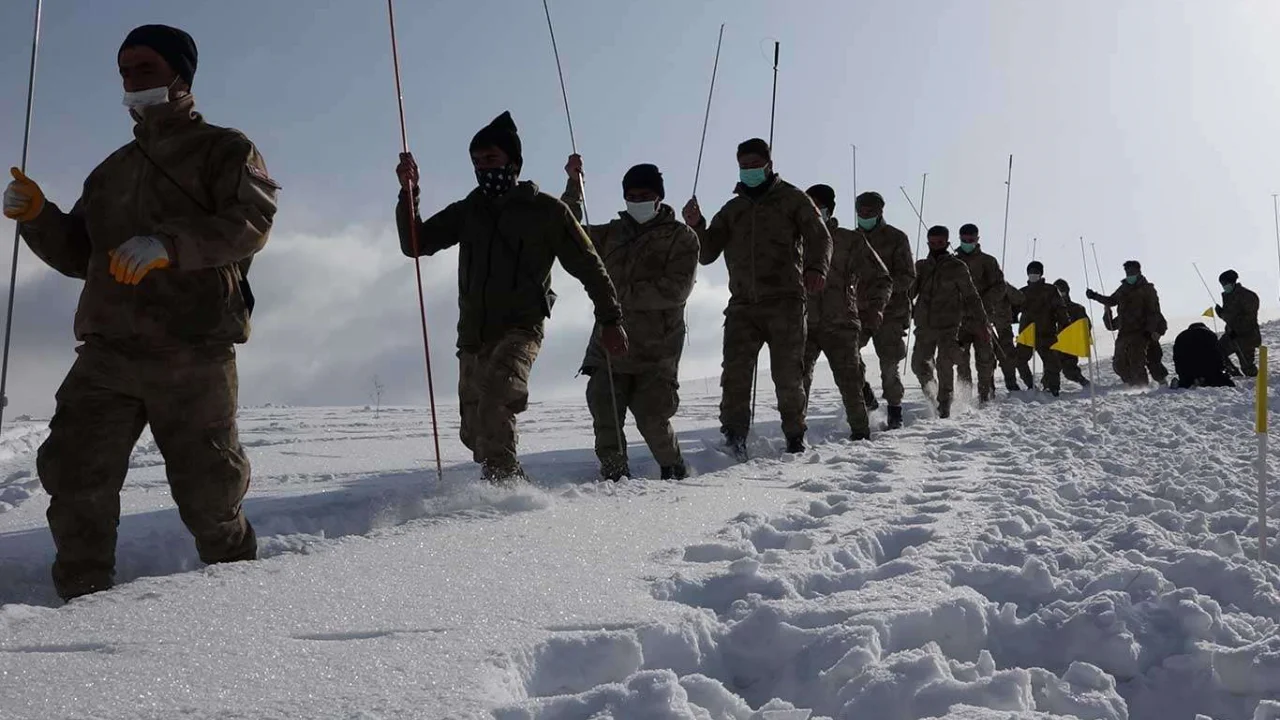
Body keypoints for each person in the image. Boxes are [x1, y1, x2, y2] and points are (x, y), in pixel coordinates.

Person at [1, 25, 277, 601]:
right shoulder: (110, 172)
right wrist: (38, 215)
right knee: (75, 477)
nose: (131, 79)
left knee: (210, 495)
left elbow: (251, 222)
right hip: (108, 352)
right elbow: (82, 254)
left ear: (181, 73)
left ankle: (245, 607)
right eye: (124, 70)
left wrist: (168, 246)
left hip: (193, 350)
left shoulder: (225, 150)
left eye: (145, 68)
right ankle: (83, 603)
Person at [396, 111, 625, 484]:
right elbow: (415, 242)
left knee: (495, 404)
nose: (483, 169)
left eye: (491, 160)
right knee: (475, 434)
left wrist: (611, 320)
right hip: (473, 335)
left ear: (513, 163)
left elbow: (590, 266)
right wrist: (409, 193)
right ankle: (506, 479)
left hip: (521, 329)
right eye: (476, 162)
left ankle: (506, 496)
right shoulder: (469, 210)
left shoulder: (547, 212)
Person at [682, 138, 831, 459]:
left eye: (754, 164)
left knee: (788, 374)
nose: (748, 170)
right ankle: (734, 437)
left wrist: (817, 267)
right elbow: (706, 253)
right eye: (743, 165)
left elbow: (820, 236)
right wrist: (696, 226)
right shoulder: (732, 210)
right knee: (734, 375)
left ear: (768, 164)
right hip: (742, 307)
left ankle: (795, 436)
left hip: (786, 302)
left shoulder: (793, 200)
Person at [562, 157, 698, 480]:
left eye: (644, 195)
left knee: (653, 418)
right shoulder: (609, 234)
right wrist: (573, 186)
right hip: (609, 348)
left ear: (659, 197)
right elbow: (565, 233)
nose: (637, 201)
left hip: (657, 354)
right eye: (631, 196)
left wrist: (613, 291)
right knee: (604, 412)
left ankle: (674, 469)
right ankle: (615, 480)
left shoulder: (681, 237)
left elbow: (675, 290)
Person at [800, 184, 891, 441]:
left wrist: (876, 309)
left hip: (841, 323)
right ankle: (795, 439)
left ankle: (861, 435)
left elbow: (882, 278)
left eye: (818, 206)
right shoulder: (795, 239)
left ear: (829, 209)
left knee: (850, 382)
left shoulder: (850, 241)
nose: (813, 212)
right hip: (803, 323)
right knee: (795, 383)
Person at [850, 191, 914, 429]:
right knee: (848, 358)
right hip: (857, 311)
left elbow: (907, 276)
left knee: (889, 365)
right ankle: (866, 398)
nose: (864, 216)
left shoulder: (896, 238)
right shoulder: (851, 239)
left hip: (890, 312)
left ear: (880, 212)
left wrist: (881, 292)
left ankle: (895, 413)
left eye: (869, 212)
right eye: (861, 212)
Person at [909, 226, 986, 418]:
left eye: (940, 243)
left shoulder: (958, 267)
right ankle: (932, 395)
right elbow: (908, 294)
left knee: (945, 364)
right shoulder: (921, 267)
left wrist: (982, 323)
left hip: (949, 326)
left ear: (947, 243)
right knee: (919, 365)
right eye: (932, 243)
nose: (936, 246)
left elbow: (971, 296)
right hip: (924, 326)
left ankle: (945, 404)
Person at [1086, 260, 1167, 387]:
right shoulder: (1123, 289)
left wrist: (1149, 331)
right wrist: (1095, 296)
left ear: (1139, 272)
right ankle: (1134, 384)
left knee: (1138, 361)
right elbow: (1111, 300)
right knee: (1118, 364)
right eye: (1128, 272)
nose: (1130, 275)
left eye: (1132, 272)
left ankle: (1143, 387)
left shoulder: (1147, 289)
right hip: (1124, 332)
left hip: (1141, 331)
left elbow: (1154, 312)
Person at [952, 223, 1004, 403]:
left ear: (977, 239)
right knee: (961, 360)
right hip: (959, 320)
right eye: (964, 240)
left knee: (985, 359)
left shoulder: (988, 262)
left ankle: (986, 395)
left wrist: (982, 302)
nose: (967, 243)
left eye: (971, 240)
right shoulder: (953, 262)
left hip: (982, 319)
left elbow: (999, 286)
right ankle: (964, 397)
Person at [1013, 263, 1071, 396]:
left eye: (1035, 271)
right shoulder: (1022, 292)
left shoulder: (1050, 290)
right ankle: (1030, 385)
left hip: (1047, 333)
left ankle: (1053, 388)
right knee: (1020, 360)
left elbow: (1060, 309)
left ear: (1041, 274)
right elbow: (1013, 311)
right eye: (1030, 272)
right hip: (1026, 334)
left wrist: (1066, 324)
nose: (1033, 274)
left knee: (1052, 363)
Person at [1216, 269, 1260, 378]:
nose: (1224, 286)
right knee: (1217, 352)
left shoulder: (1248, 296)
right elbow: (1229, 317)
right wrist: (1221, 313)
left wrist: (1226, 317)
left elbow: (1249, 319)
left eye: (1225, 283)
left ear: (1232, 282)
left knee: (1248, 368)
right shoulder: (1227, 297)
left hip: (1246, 338)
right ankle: (1235, 374)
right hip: (1231, 336)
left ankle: (1257, 386)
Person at [1052, 279, 1091, 388]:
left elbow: (1086, 325)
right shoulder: (1051, 310)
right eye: (1057, 292)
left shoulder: (1077, 308)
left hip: (1070, 345)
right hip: (1055, 344)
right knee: (1051, 368)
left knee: (1070, 371)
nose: (1060, 294)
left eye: (1062, 291)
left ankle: (1086, 385)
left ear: (1067, 291)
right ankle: (1048, 389)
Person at [1172, 323, 1235, 389]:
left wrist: (1181, 374)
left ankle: (1185, 382)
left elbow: (1177, 359)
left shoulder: (1181, 337)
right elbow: (1218, 355)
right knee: (1224, 381)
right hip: (1209, 370)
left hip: (1187, 372)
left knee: (1186, 380)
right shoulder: (1209, 334)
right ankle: (1204, 380)